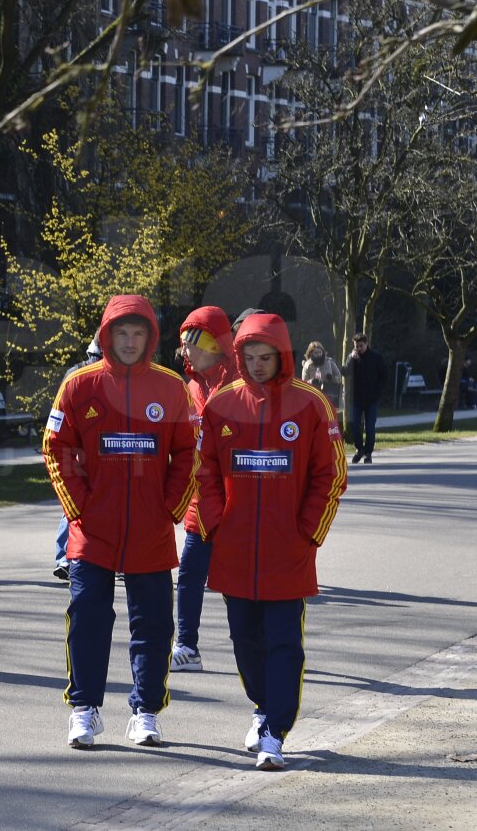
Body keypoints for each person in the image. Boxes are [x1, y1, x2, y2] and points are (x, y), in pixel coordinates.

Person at [43, 295, 198, 748]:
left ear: (150, 338)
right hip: (92, 530)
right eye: (121, 334)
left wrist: (170, 507)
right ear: (106, 336)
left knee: (153, 624)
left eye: (138, 334)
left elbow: (189, 452)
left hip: (150, 530)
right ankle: (84, 709)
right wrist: (79, 506)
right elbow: (56, 446)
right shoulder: (79, 385)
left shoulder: (171, 388)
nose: (129, 342)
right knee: (88, 616)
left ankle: (146, 711)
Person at [196, 313, 347, 770]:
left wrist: (308, 533)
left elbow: (331, 475)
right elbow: (202, 473)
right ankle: (261, 707)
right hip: (234, 550)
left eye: (266, 357)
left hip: (288, 552)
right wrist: (217, 526)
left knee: (284, 642)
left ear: (283, 356)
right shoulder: (221, 406)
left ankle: (275, 732)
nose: (258, 365)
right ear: (237, 356)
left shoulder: (312, 405)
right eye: (249, 357)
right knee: (245, 638)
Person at [170, 306, 239, 674]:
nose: (185, 351)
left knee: (239, 583)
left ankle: (253, 644)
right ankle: (187, 645)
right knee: (189, 575)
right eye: (182, 344)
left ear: (213, 345)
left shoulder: (241, 382)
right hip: (201, 503)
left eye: (190, 344)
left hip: (238, 502)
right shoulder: (192, 386)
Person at [52, 337, 104, 581]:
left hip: (85, 446)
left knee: (74, 501)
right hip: (83, 447)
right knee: (76, 502)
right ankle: (66, 555)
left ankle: (65, 556)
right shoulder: (86, 375)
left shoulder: (77, 372)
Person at [342, 332, 386, 464]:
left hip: (371, 399)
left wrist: (377, 393)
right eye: (356, 346)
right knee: (354, 425)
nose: (359, 348)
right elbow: (345, 372)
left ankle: (368, 453)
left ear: (366, 344)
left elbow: (384, 376)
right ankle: (359, 449)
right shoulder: (353, 358)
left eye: (361, 346)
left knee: (370, 427)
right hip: (356, 399)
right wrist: (350, 358)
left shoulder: (376, 358)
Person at [301, 341, 342, 414]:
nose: (319, 355)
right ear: (311, 354)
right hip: (313, 396)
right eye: (316, 353)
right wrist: (311, 381)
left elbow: (339, 377)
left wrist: (332, 378)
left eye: (320, 352)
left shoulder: (329, 362)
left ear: (323, 352)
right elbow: (303, 384)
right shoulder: (307, 365)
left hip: (329, 395)